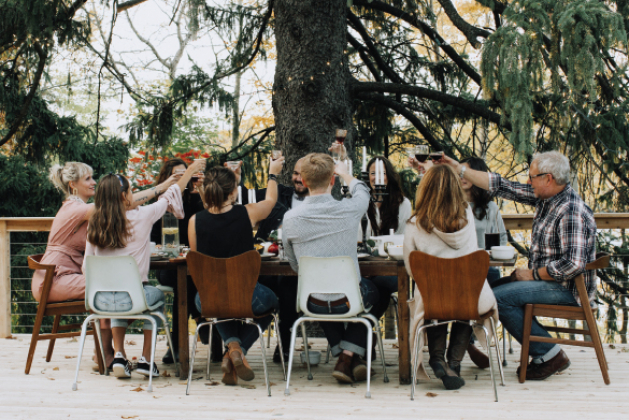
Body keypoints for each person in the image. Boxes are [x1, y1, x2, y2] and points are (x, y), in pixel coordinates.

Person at [438, 151, 597, 381]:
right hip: (551, 282)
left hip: (567, 289)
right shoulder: (546, 199)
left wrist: (532, 275)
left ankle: (549, 354)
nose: (528, 181)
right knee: (491, 291)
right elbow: (502, 186)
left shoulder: (570, 210)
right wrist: (459, 168)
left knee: (497, 299)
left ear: (548, 179)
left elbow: (573, 264)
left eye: (532, 177)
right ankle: (541, 352)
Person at [32, 161, 180, 367]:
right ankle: (107, 353)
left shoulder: (88, 211)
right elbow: (119, 204)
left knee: (115, 288)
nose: (94, 182)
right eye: (88, 179)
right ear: (73, 185)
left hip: (66, 274)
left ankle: (109, 352)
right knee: (117, 288)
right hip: (53, 279)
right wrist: (161, 188)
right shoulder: (76, 209)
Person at [83, 160, 202, 378]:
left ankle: (119, 355)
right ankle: (147, 359)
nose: (133, 194)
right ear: (124, 196)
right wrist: (190, 172)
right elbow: (172, 194)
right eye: (130, 190)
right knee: (155, 298)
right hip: (133, 297)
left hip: (99, 301)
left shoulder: (94, 223)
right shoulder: (142, 216)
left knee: (121, 292)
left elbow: (86, 267)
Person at [282, 153, 380, 384]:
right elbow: (363, 190)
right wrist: (345, 172)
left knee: (322, 291)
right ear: (333, 180)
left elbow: (294, 264)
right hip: (348, 300)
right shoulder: (349, 209)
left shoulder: (290, 218)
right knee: (379, 292)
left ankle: (345, 356)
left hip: (311, 300)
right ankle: (348, 356)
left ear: (303, 182)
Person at [188, 157, 285, 386]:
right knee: (274, 304)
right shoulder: (247, 213)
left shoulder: (194, 221)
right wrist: (272, 174)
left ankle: (231, 347)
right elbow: (271, 199)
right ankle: (238, 349)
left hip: (206, 300)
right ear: (233, 192)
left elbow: (199, 261)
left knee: (218, 299)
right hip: (249, 297)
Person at [403, 164, 499, 390]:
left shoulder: (414, 224)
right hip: (470, 297)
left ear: (424, 190)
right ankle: (453, 363)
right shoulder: (467, 216)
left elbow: (411, 268)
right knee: (464, 304)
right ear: (456, 188)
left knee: (435, 298)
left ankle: (437, 359)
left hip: (434, 300)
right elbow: (472, 255)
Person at [224, 157, 309, 363]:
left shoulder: (322, 203)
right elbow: (245, 198)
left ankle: (283, 346)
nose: (298, 179)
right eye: (296, 173)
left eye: (304, 174)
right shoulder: (281, 193)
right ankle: (237, 348)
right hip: (268, 265)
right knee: (269, 289)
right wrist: (235, 180)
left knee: (289, 285)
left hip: (303, 268)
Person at [150, 158, 205, 364]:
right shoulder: (160, 204)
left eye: (187, 174)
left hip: (195, 264)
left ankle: (175, 346)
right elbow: (153, 241)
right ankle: (200, 320)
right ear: (167, 178)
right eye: (178, 175)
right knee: (184, 282)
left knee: (189, 281)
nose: (184, 178)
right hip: (168, 264)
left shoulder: (197, 201)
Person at [460, 157, 508, 368]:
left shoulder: (490, 208)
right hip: (457, 269)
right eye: (460, 172)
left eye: (468, 172)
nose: (463, 176)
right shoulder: (449, 205)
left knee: (486, 285)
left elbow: (502, 242)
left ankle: (465, 344)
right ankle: (466, 345)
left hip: (485, 268)